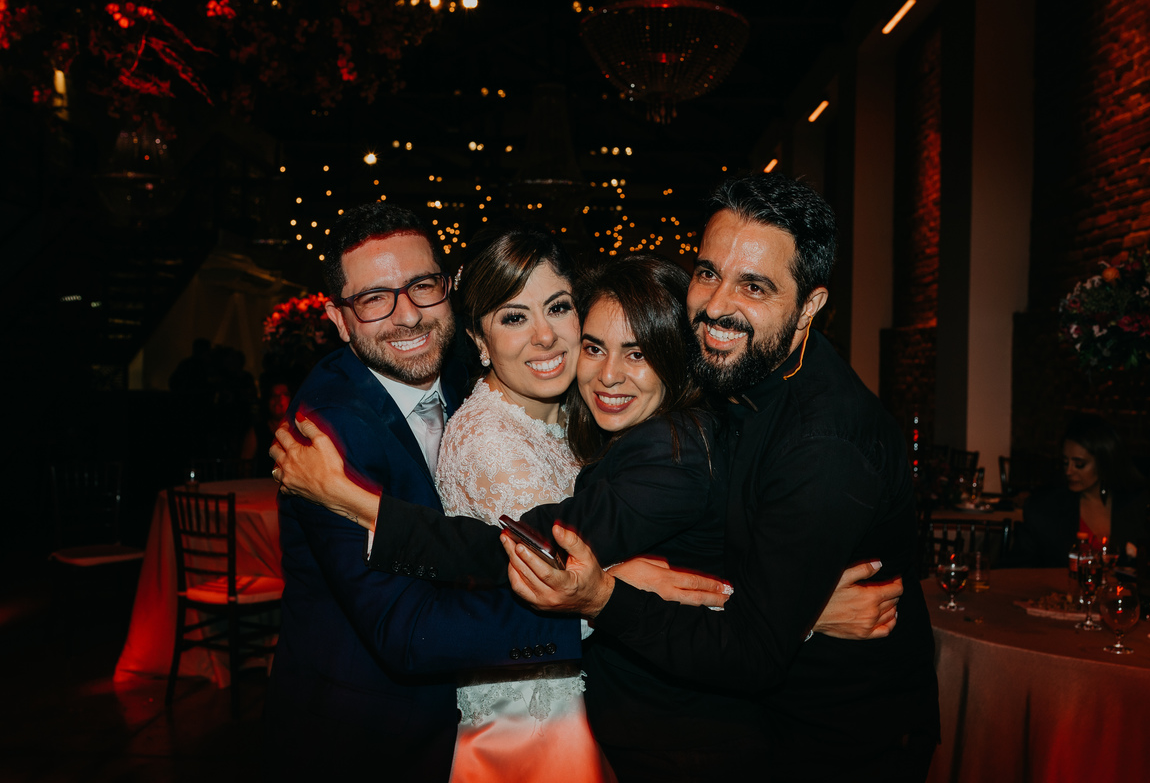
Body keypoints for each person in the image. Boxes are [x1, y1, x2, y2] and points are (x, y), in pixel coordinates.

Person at [271, 253, 902, 781]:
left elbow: (520, 549)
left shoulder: (670, 449)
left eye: (637, 353)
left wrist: (358, 502)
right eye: (595, 347)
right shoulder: (615, 426)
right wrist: (789, 609)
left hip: (681, 731)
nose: (604, 374)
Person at [500, 173, 940, 780]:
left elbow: (753, 653)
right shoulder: (738, 371)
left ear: (810, 304)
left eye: (753, 285)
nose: (715, 304)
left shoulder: (823, 444)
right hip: (757, 725)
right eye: (708, 272)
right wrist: (799, 612)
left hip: (840, 740)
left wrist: (606, 598)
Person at [263, 202, 585, 780]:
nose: (407, 315)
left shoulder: (473, 362)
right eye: (374, 298)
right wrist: (593, 609)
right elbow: (407, 631)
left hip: (469, 721)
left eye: (421, 285)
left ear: (449, 288)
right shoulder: (328, 435)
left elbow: (473, 540)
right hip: (368, 734)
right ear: (339, 320)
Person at [427, 225, 608, 783]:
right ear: (478, 342)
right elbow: (576, 596)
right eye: (513, 316)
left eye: (557, 307)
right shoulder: (489, 443)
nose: (546, 336)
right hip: (537, 726)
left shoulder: (572, 417)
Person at [1010, 413, 1147, 567]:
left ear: (1105, 462)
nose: (1069, 471)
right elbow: (1018, 569)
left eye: (1079, 464)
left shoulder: (1138, 505)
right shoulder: (1044, 509)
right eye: (1065, 462)